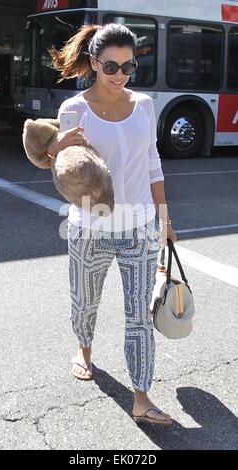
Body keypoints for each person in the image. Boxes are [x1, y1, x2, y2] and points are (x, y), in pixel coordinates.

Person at [48, 23, 177, 425]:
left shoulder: (144, 104)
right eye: (110, 66)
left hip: (138, 226)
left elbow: (153, 161)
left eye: (127, 66)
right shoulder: (74, 109)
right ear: (93, 62)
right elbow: (62, 168)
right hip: (90, 225)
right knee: (85, 300)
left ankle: (142, 396)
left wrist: (165, 218)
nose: (119, 74)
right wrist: (53, 147)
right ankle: (84, 348)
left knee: (139, 315)